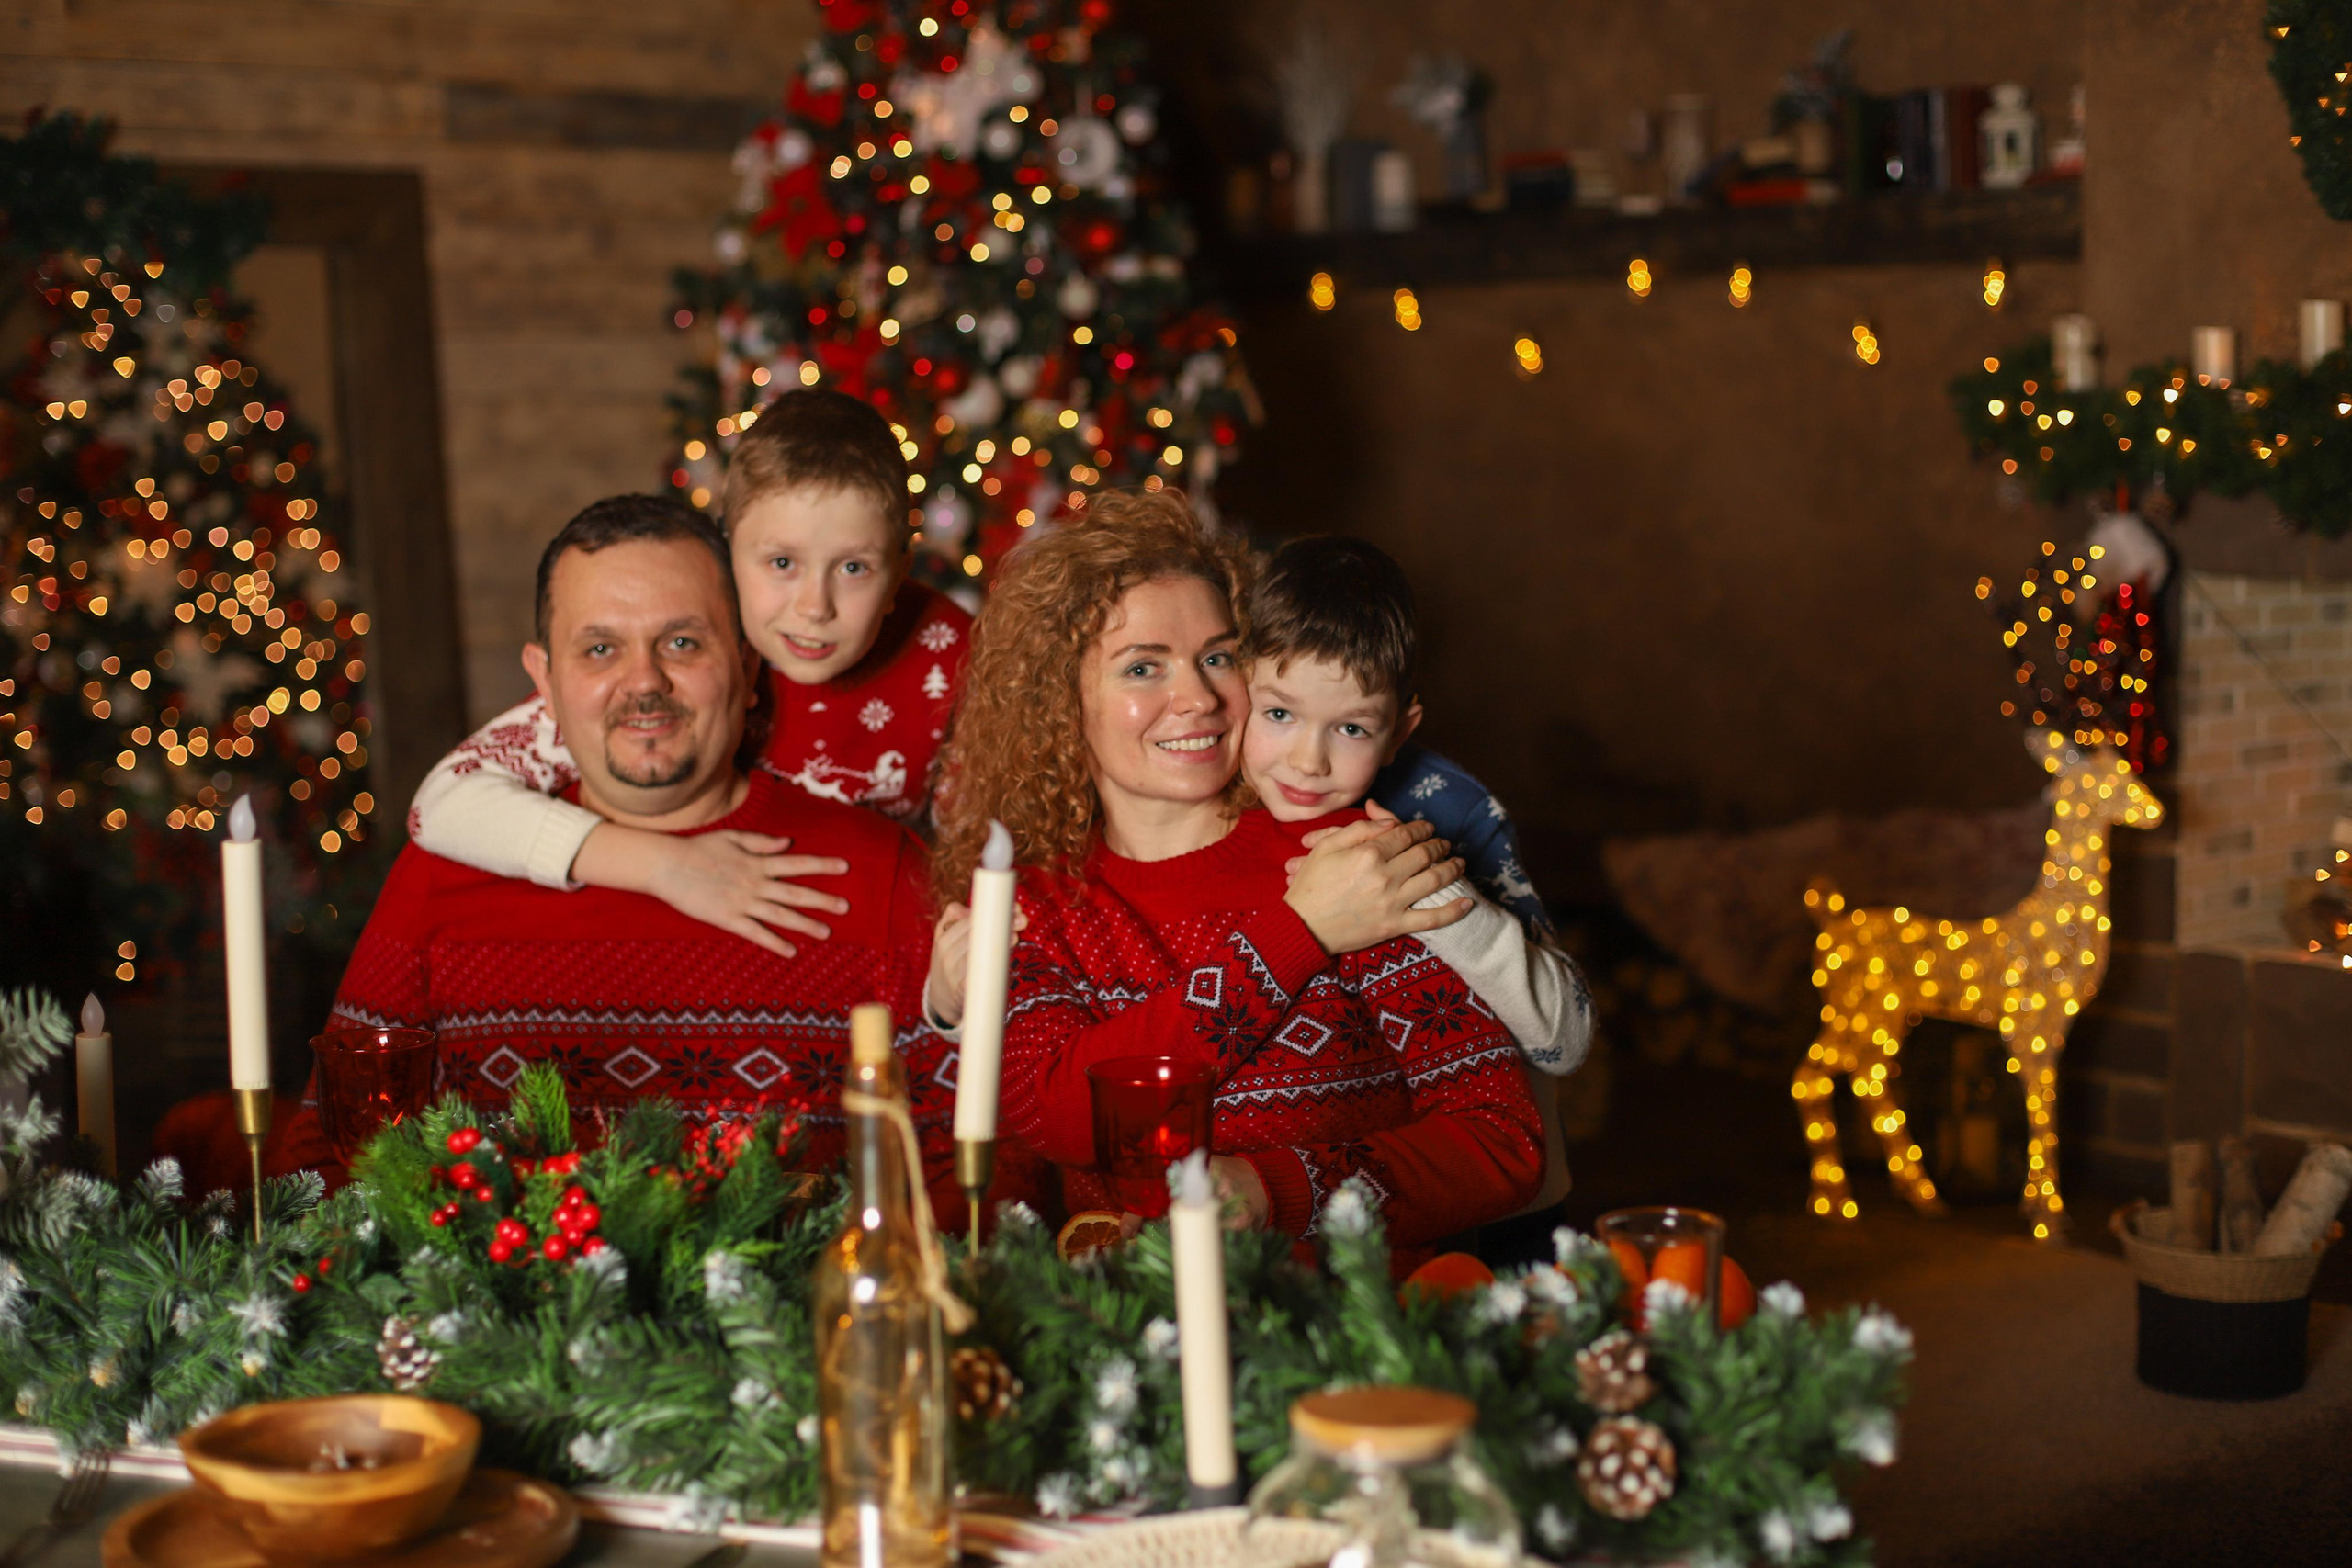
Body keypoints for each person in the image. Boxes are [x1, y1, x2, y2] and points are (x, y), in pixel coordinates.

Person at [271, 494, 969, 1190]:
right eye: (601, 648)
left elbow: (979, 1154)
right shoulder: (441, 873)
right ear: (544, 682)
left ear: (750, 667)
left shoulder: (879, 874)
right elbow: (326, 1160)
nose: (644, 681)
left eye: (683, 642)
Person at [927, 490, 1543, 1273]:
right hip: (1130, 1348)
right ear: (1062, 696)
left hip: (1360, 1337)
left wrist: (1273, 1188)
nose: (1201, 698)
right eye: (1144, 666)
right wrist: (1298, 933)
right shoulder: (1038, 906)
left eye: (1218, 656)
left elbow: (1501, 1138)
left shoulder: (1353, 858)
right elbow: (1059, 1113)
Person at [404, 389, 967, 957]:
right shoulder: (699, 662)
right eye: (781, 563)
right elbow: (445, 804)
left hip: (862, 939)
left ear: (898, 571)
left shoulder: (949, 660)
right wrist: (662, 867)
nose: (814, 606)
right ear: (727, 554)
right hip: (687, 929)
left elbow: (988, 846)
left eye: (853, 567)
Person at [1239, 535, 1592, 1214]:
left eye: (1351, 729)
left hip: (1493, 1205)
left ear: (1400, 731)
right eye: (1279, 713)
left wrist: (1432, 891)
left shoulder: (1450, 810)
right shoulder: (1214, 799)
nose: (1308, 760)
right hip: (1327, 1198)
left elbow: (1564, 1037)